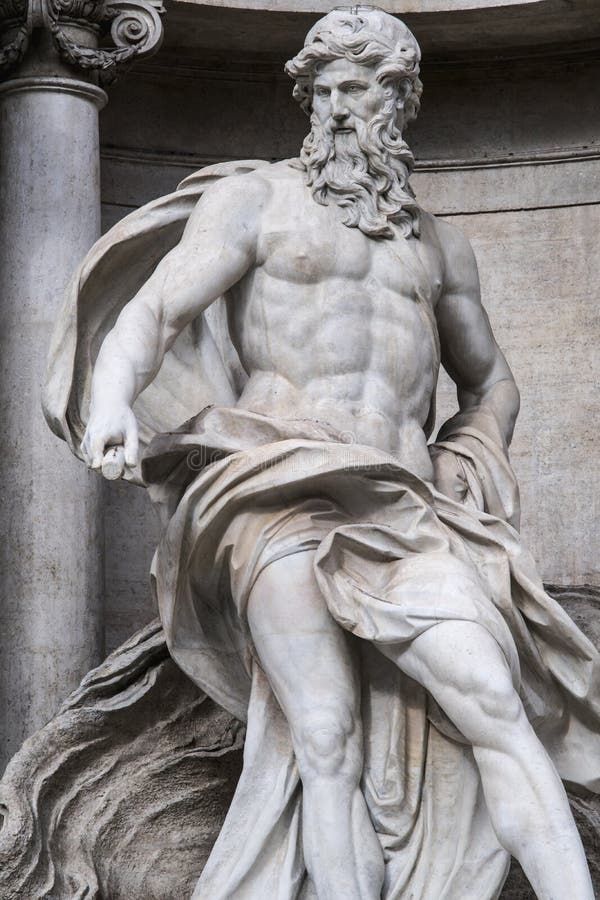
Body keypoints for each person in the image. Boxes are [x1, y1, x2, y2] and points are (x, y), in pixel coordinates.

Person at [45, 7, 600, 899]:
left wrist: (473, 448)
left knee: (496, 701)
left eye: (364, 91)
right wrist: (109, 399)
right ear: (306, 98)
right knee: (326, 737)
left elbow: (492, 381)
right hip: (275, 488)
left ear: (401, 102)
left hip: (405, 505)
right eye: (327, 91)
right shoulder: (255, 201)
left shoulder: (439, 248)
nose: (342, 110)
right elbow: (153, 312)